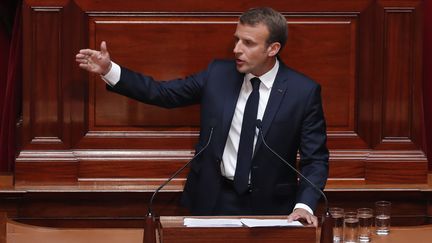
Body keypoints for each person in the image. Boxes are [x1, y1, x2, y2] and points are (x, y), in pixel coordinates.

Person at [76, 7, 328, 226]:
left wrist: (304, 205)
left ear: (273, 48)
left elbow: (315, 159)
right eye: (237, 39)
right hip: (214, 199)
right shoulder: (217, 74)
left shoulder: (303, 92)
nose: (236, 49)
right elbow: (163, 94)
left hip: (274, 208)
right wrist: (110, 70)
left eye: (248, 43)